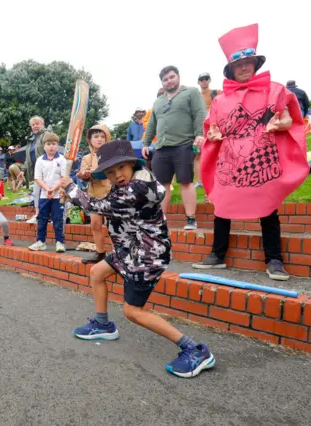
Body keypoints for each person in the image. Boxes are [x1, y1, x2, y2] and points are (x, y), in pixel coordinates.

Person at [61, 140, 215, 378]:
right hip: (129, 250)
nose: (117, 175)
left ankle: (195, 349)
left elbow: (97, 205)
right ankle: (103, 324)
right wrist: (78, 185)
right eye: (111, 172)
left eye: (121, 168)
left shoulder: (137, 189)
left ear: (132, 164)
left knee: (133, 311)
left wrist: (71, 189)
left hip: (147, 257)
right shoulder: (134, 181)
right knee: (97, 272)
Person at [194, 23, 309, 281]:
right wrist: (212, 134)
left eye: (248, 62)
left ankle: (274, 260)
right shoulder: (221, 100)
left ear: (255, 64)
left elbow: (291, 119)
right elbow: (213, 127)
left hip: (263, 158)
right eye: (239, 64)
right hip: (231, 159)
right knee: (221, 206)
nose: (244, 67)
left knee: (268, 206)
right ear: (232, 69)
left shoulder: (276, 90)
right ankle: (217, 255)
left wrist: (281, 124)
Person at [142, 66, 206, 230]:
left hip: (183, 144)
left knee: (185, 181)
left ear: (178, 77)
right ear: (162, 83)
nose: (169, 81)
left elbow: (199, 113)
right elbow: (152, 124)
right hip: (161, 147)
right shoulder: (158, 101)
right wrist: (146, 143)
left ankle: (190, 218)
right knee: (161, 185)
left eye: (172, 77)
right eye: (165, 79)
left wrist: (200, 134)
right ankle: (159, 221)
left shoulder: (191, 93)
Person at [77, 124, 112, 264]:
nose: (99, 139)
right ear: (90, 140)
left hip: (111, 193)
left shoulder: (112, 154)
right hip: (94, 194)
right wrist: (84, 175)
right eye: (96, 136)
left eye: (102, 136)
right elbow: (83, 174)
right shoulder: (86, 158)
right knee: (95, 225)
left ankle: (119, 254)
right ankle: (100, 252)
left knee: (113, 226)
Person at [29, 133, 67, 253]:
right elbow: (38, 177)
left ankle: (59, 242)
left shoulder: (62, 159)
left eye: (54, 144)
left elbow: (63, 177)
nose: (51, 147)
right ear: (44, 146)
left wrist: (53, 189)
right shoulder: (40, 160)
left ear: (57, 145)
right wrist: (47, 189)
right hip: (44, 195)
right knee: (42, 219)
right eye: (48, 144)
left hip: (58, 196)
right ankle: (41, 242)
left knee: (58, 219)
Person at [22, 116, 50, 224]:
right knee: (36, 193)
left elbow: (51, 151)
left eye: (37, 123)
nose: (35, 126)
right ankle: (39, 215)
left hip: (46, 170)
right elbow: (28, 158)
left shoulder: (46, 135)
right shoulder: (31, 140)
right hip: (35, 171)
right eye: (33, 125)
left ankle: (44, 216)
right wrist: (22, 170)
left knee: (45, 193)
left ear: (43, 124)